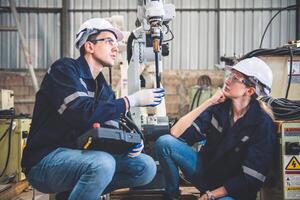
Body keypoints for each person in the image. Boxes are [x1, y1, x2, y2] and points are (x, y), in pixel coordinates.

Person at [21, 18, 165, 200]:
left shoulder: (102, 87)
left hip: (81, 156)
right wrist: (130, 101)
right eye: (109, 41)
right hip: (45, 160)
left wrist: (128, 145)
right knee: (102, 163)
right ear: (89, 46)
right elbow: (81, 113)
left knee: (145, 167)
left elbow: (108, 129)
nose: (115, 48)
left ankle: (72, 195)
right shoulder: (64, 70)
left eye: (116, 42)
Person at [155, 57, 276, 200]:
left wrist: (211, 195)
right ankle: (172, 195)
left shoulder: (262, 124)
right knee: (164, 143)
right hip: (207, 175)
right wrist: (209, 102)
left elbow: (251, 178)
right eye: (230, 75)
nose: (228, 81)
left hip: (233, 191)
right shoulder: (219, 109)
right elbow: (175, 133)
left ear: (249, 91)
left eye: (235, 78)